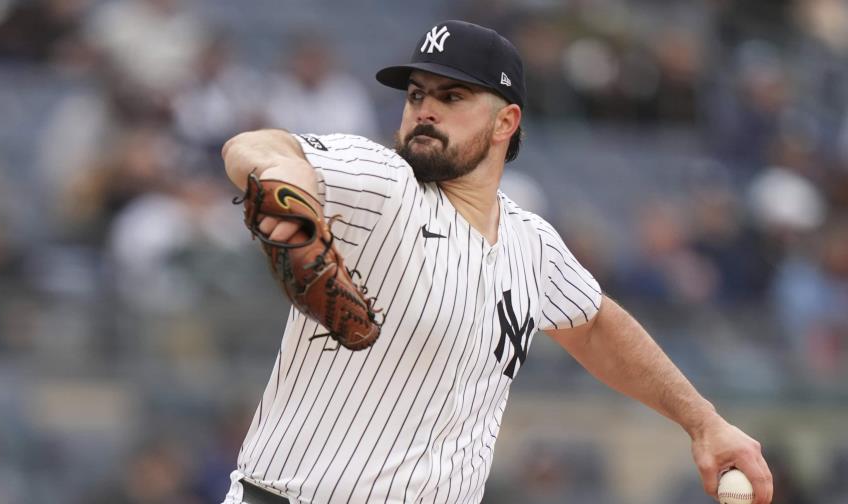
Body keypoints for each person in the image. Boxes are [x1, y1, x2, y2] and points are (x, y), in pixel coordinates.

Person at [220, 20, 773, 504]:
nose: (425, 110)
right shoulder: (385, 185)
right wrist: (286, 182)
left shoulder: (531, 244)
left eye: (452, 96)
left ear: (506, 121)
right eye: (415, 95)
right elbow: (255, 147)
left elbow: (596, 327)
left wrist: (703, 422)